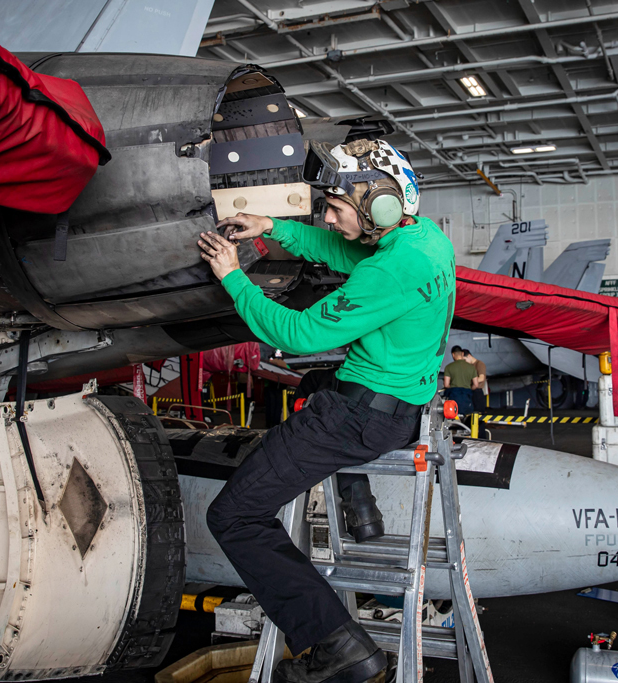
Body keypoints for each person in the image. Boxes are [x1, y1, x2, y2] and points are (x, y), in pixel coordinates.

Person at [197, 138, 455, 683]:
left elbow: (298, 333)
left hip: (358, 419)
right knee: (317, 380)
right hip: (401, 404)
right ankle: (357, 504)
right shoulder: (423, 239)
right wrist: (273, 228)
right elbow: (344, 252)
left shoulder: (391, 271)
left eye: (337, 209)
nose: (332, 220)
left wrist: (232, 277)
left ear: (377, 205)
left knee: (233, 517)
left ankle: (337, 645)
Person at [443, 345, 476, 415]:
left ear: (453, 354)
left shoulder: (448, 367)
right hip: (467, 397)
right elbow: (476, 384)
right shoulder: (471, 367)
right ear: (462, 353)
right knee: (467, 418)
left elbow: (446, 384)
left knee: (453, 417)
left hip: (454, 396)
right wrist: (469, 388)